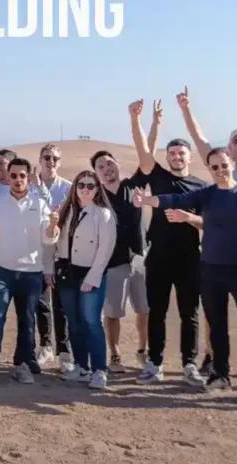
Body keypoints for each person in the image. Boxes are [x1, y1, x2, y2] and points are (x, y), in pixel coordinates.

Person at [133, 147, 237, 403]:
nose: (220, 171)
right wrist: (148, 201)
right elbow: (174, 200)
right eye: (215, 167)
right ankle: (221, 374)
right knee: (217, 325)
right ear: (210, 170)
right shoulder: (207, 194)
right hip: (211, 269)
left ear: (232, 163)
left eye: (224, 165)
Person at [177, 86, 237, 374]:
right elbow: (198, 138)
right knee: (213, 310)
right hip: (216, 251)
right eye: (236, 140)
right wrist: (186, 109)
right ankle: (213, 356)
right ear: (229, 147)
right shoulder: (219, 165)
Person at [127, 99, 206, 386]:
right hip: (158, 256)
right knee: (156, 312)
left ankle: (189, 364)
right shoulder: (158, 177)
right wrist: (137, 119)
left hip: (189, 258)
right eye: (171, 152)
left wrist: (189, 218)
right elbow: (142, 151)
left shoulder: (200, 187)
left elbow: (207, 223)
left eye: (181, 152)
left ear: (189, 157)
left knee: (189, 313)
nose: (176, 156)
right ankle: (155, 363)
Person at [0, 158, 59, 387]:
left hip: (31, 272)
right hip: (0, 270)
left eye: (22, 175)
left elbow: (48, 238)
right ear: (8, 177)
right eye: (13, 175)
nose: (17, 180)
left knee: (27, 321)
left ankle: (22, 365)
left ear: (29, 177)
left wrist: (53, 224)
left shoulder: (40, 204)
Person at [50, 170, 116, 390]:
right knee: (74, 322)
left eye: (91, 185)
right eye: (81, 185)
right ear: (74, 187)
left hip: (91, 273)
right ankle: (81, 366)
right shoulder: (66, 211)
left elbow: (105, 249)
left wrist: (93, 277)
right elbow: (52, 241)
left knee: (91, 321)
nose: (85, 189)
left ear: (97, 189)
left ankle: (99, 370)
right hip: (67, 273)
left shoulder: (103, 214)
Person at [90, 149, 149, 373]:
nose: (106, 170)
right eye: (101, 167)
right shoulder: (97, 199)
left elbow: (147, 157)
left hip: (140, 257)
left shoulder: (134, 186)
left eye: (109, 163)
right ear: (97, 174)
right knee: (113, 312)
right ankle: (114, 355)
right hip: (113, 262)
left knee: (145, 308)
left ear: (117, 164)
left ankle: (143, 351)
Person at [35, 143, 74, 373]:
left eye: (55, 158)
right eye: (47, 157)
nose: (51, 162)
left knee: (61, 304)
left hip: (61, 254)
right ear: (40, 160)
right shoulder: (29, 185)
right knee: (40, 303)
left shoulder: (68, 188)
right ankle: (45, 345)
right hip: (35, 254)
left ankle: (65, 351)